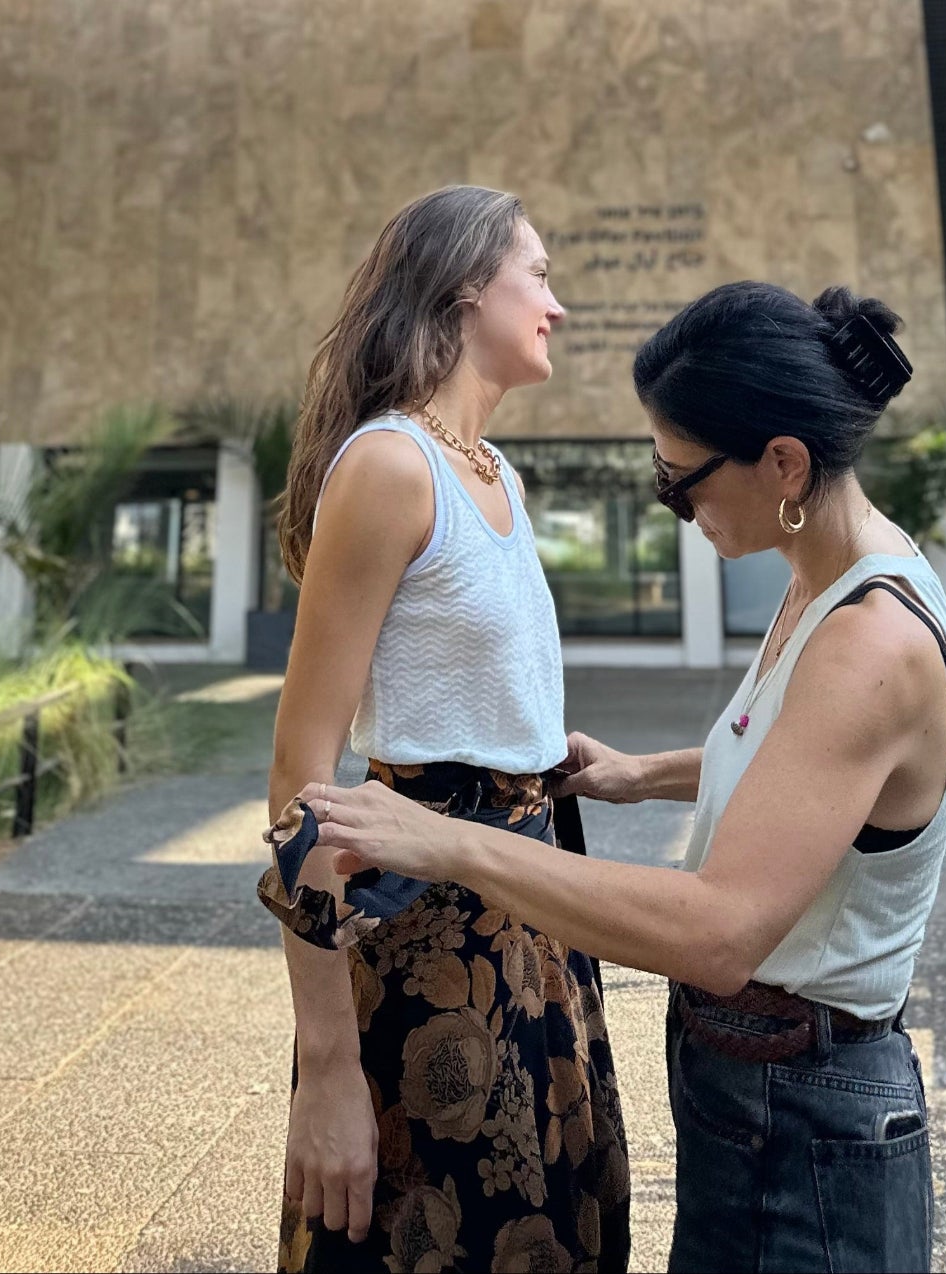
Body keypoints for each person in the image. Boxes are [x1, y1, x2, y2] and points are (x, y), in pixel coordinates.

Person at [292, 281, 946, 1273]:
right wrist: (640, 774)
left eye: (680, 481)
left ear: (783, 463)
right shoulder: (834, 578)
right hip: (765, 1094)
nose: (677, 508)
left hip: (808, 1126)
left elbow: (718, 931)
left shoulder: (869, 640)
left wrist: (452, 842)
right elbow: (812, 772)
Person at [258, 185, 630, 1274]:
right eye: (539, 275)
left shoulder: (495, 472)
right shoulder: (389, 466)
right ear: (467, 289)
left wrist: (539, 752)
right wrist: (328, 1068)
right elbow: (299, 772)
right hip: (430, 946)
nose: (557, 304)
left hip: (538, 920)